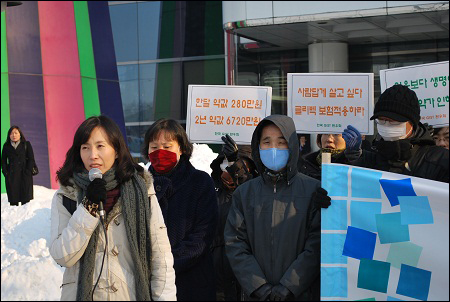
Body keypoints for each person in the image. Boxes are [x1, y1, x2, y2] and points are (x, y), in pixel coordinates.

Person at [49, 115, 176, 301]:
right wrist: (88, 208)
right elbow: (62, 256)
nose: (93, 155)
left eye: (100, 146)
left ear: (116, 150)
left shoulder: (141, 190)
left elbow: (160, 257)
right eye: (85, 147)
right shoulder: (67, 195)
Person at [224, 115, 331, 301]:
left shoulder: (314, 189)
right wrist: (258, 286)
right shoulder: (244, 193)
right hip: (255, 296)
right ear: (258, 147)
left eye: (281, 142)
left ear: (292, 146)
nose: (274, 148)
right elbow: (235, 243)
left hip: (300, 295)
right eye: (266, 142)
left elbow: (317, 243)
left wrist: (290, 285)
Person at [142, 118, 218, 301]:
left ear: (181, 148)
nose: (160, 152)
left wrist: (164, 266)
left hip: (192, 284)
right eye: (154, 147)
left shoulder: (200, 183)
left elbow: (201, 237)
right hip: (148, 285)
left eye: (167, 147)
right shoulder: (139, 185)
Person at [342, 84, 449, 183]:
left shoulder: (439, 160)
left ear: (412, 123)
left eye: (393, 120)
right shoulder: (371, 158)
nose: (386, 125)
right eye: (381, 120)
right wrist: (353, 158)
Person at [210, 135, 258, 301]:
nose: (227, 169)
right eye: (225, 163)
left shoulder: (255, 192)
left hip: (245, 279)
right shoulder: (211, 191)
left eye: (236, 165)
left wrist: (234, 162)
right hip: (216, 279)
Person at [1, 125, 35, 206]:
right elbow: (3, 161)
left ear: (20, 134)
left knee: (25, 203)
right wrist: (6, 173)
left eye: (16, 133)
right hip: (12, 176)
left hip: (24, 175)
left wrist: (28, 171)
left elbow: (31, 159)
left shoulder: (26, 144)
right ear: (9, 135)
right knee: (13, 202)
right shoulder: (6, 146)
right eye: (12, 133)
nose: (14, 135)